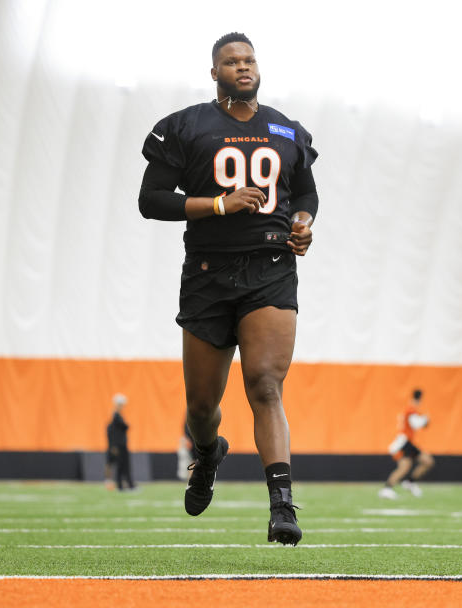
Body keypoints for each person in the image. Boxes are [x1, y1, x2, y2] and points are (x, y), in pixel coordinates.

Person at [138, 33, 319, 546]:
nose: (242, 67)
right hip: (208, 272)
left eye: (249, 59)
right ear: (214, 72)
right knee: (201, 406)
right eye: (231, 61)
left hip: (270, 267)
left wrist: (303, 222)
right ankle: (209, 452)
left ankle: (281, 504)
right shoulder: (187, 125)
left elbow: (304, 190)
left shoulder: (286, 127)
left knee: (264, 383)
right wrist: (219, 205)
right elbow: (151, 199)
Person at [379, 389, 434, 499]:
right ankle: (387, 489)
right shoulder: (410, 409)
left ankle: (410, 482)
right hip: (403, 442)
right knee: (404, 467)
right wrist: (425, 419)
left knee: (427, 462)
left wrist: (424, 420)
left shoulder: (412, 409)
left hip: (407, 442)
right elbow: (416, 423)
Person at [106, 393, 135, 491]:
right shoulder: (116, 417)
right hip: (119, 446)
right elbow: (116, 432)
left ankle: (126, 485)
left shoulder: (118, 416)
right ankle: (121, 486)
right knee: (120, 466)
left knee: (123, 466)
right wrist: (113, 446)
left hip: (121, 445)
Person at [176, 414, 196, 482]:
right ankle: (189, 479)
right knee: (189, 461)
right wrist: (188, 439)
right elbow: (186, 428)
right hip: (190, 441)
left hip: (198, 441)